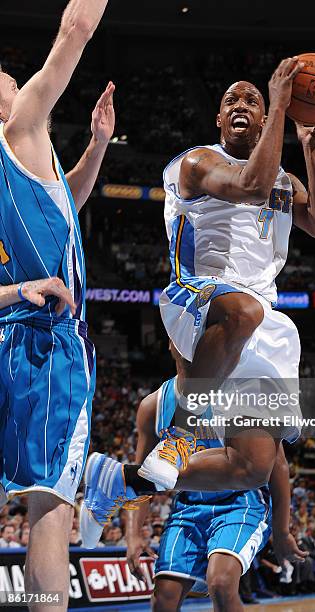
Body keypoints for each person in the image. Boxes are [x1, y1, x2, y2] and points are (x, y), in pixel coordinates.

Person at [81, 57, 315, 542]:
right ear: (219, 121)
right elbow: (250, 186)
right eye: (231, 101)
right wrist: (282, 104)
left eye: (252, 100)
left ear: (264, 120)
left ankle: (119, 479)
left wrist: (310, 149)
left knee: (252, 468)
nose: (241, 105)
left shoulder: (285, 180)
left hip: (263, 321)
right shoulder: (197, 162)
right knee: (243, 309)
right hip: (198, 297)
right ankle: (182, 432)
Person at [0, 1, 113, 609]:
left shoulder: (16, 158)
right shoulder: (18, 125)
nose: (14, 82)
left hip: (3, 333)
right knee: (50, 497)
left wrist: (96, 147)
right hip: (46, 345)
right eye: (8, 81)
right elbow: (75, 28)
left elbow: (61, 201)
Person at [122, 345, 306, 612]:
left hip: (240, 503)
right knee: (163, 598)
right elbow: (141, 476)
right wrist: (133, 534)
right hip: (188, 507)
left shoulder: (236, 390)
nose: (190, 342)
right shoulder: (154, 405)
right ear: (172, 344)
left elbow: (277, 464)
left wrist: (281, 531)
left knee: (220, 582)